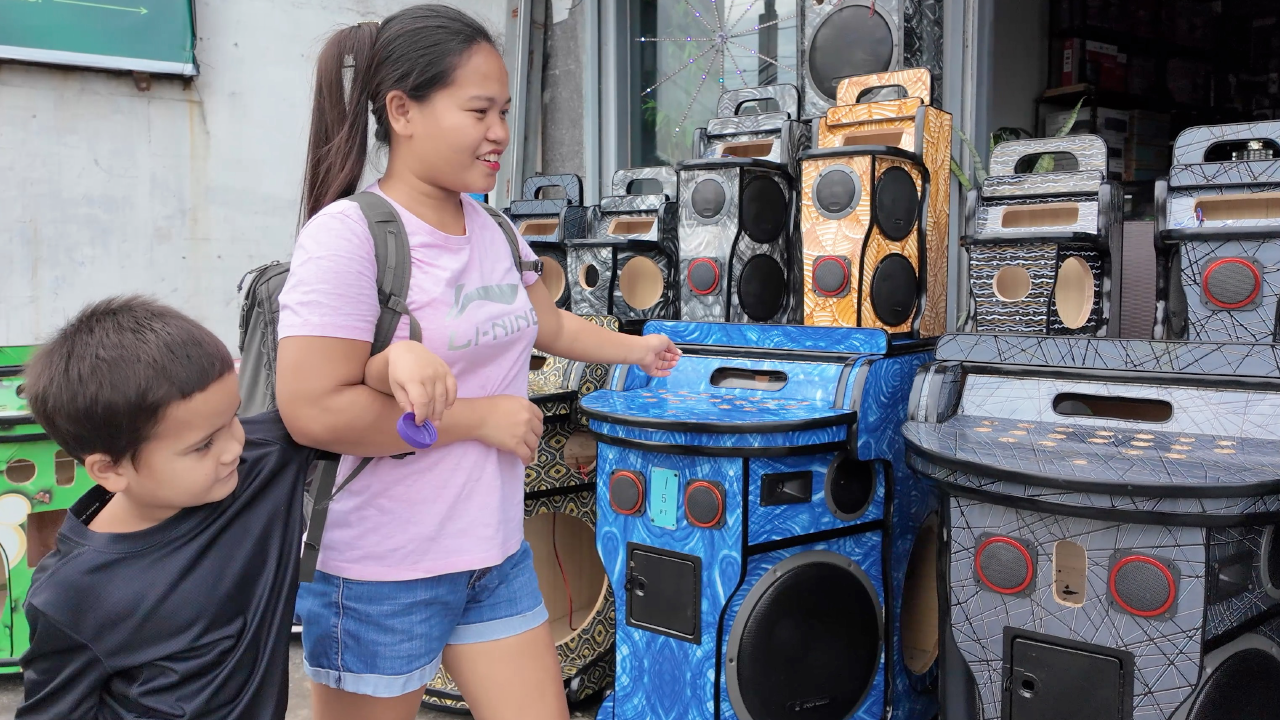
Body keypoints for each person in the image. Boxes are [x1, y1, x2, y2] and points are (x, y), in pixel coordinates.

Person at [274, 5, 680, 720]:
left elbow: (544, 322)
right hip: (377, 571)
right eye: (479, 111)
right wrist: (475, 420)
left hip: (491, 552)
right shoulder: (349, 237)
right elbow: (312, 409)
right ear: (402, 110)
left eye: (505, 111)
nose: (500, 132)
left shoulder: (491, 226)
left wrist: (637, 348)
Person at [15, 296, 315, 719]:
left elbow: (333, 403)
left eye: (233, 417)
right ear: (111, 469)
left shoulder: (261, 463)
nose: (233, 448)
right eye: (203, 445)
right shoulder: (73, 595)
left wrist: (394, 363)